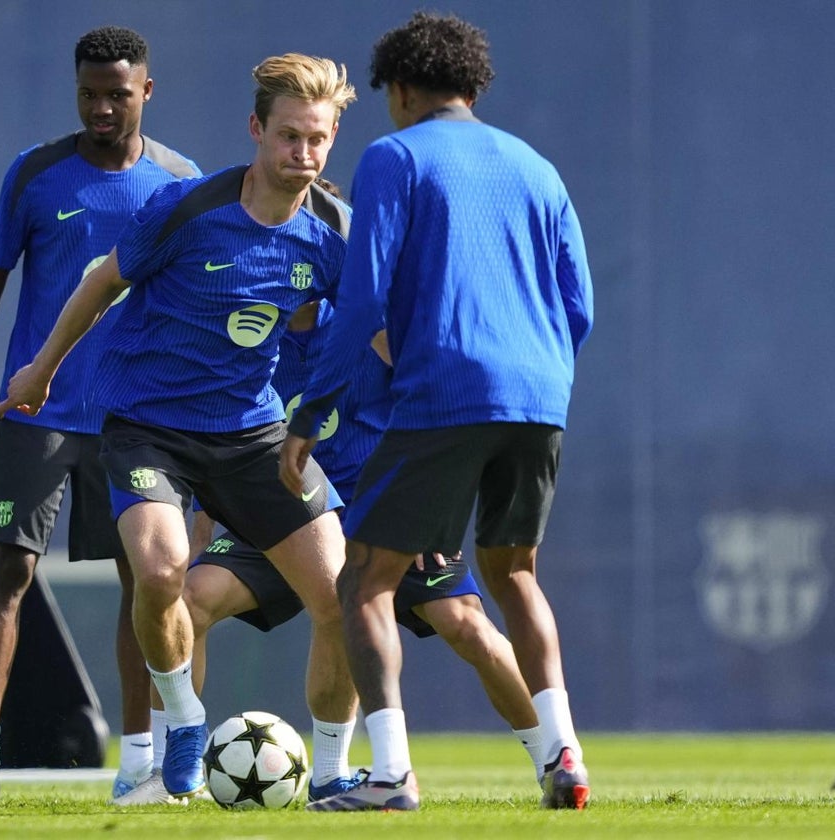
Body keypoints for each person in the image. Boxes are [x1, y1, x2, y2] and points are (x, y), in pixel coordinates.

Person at [0, 53, 361, 803]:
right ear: (256, 129)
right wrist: (41, 370)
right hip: (147, 427)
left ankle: (331, 774)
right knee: (162, 573)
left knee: (343, 600)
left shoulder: (334, 233)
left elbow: (366, 335)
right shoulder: (188, 208)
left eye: (318, 140)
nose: (304, 154)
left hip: (252, 436)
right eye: (289, 136)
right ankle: (186, 723)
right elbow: (102, 282)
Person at [281, 11, 595, 812]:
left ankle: (388, 776)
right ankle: (564, 757)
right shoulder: (538, 166)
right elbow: (579, 305)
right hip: (538, 394)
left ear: (405, 88)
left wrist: (313, 407)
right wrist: (537, 374)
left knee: (364, 581)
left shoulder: (394, 156)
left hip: (445, 393)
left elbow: (363, 298)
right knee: (514, 573)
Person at [121, 289, 547, 806]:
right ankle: (172, 774)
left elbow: (437, 412)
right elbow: (224, 432)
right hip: (281, 512)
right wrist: (207, 516)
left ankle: (553, 760)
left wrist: (429, 511)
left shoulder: (375, 327)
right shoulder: (250, 329)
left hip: (384, 515)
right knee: (189, 600)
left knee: (469, 627)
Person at [0, 25, 200, 803]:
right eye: (89, 94)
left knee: (143, 582)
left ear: (146, 91)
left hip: (138, 419)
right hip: (39, 409)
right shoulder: (38, 174)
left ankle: (139, 759)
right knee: (11, 569)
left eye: (118, 94)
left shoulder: (180, 182)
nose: (102, 108)